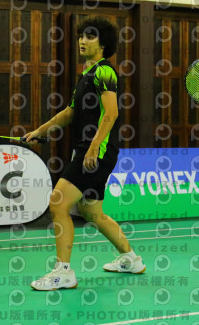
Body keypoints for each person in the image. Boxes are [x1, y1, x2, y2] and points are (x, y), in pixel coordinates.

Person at [25, 17, 145, 291]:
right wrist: (40, 130)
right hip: (94, 151)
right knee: (92, 212)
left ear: (103, 44)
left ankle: (63, 273)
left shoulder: (105, 72)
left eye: (90, 37)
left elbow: (111, 113)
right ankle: (131, 259)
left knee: (58, 204)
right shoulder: (87, 75)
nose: (82, 40)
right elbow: (70, 112)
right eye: (81, 36)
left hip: (96, 152)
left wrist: (92, 147)